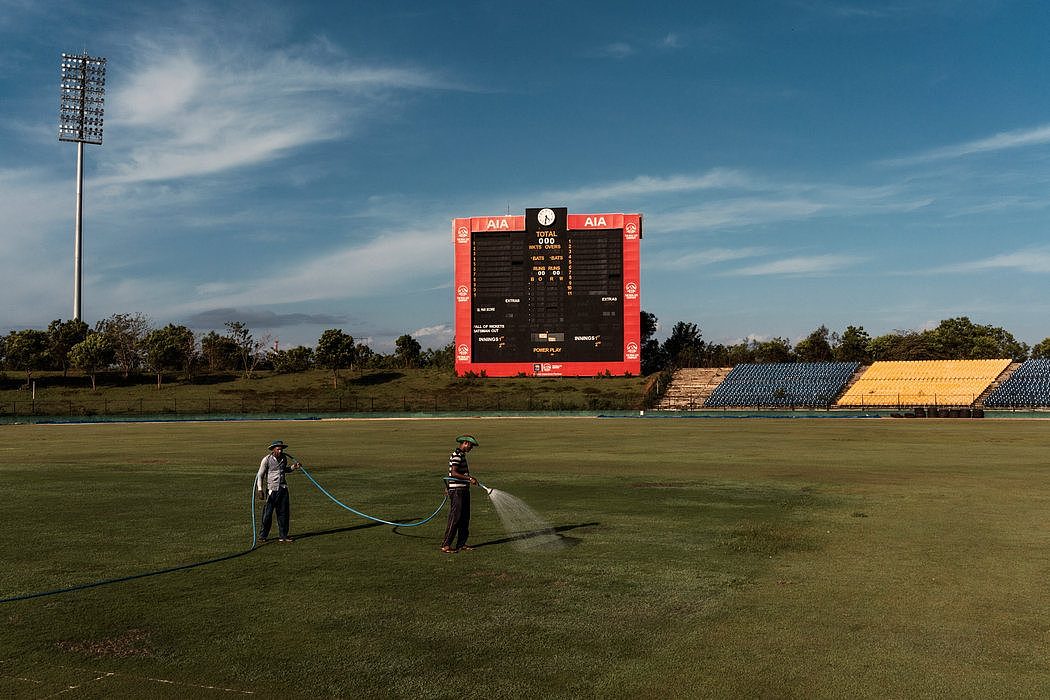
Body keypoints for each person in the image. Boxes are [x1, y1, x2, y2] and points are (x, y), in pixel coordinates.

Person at [256, 439, 301, 543]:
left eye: (281, 449)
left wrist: (294, 467)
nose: (280, 451)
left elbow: (284, 470)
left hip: (283, 489)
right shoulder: (266, 460)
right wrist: (260, 489)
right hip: (272, 490)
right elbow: (260, 475)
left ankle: (283, 536)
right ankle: (263, 536)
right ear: (273, 449)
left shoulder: (284, 458)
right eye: (278, 449)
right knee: (267, 514)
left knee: (283, 514)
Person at [441, 434, 479, 553]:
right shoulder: (456, 455)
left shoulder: (461, 455)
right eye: (471, 445)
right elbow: (453, 473)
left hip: (463, 490)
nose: (471, 448)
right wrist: (469, 479)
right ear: (465, 443)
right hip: (457, 491)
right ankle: (446, 545)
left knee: (464, 518)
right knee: (455, 517)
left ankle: (461, 543)